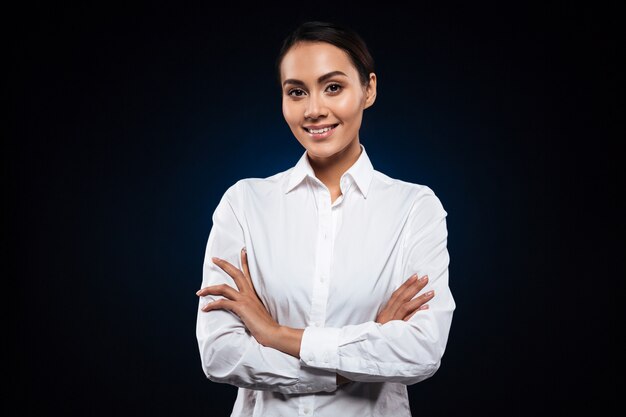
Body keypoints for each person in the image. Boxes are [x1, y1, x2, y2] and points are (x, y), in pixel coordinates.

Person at [195, 21, 455, 417]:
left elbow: (421, 351)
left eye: (333, 87)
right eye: (296, 92)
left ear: (368, 89)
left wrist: (274, 334)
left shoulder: (415, 208)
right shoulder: (244, 204)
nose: (314, 109)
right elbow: (219, 354)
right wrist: (348, 367)